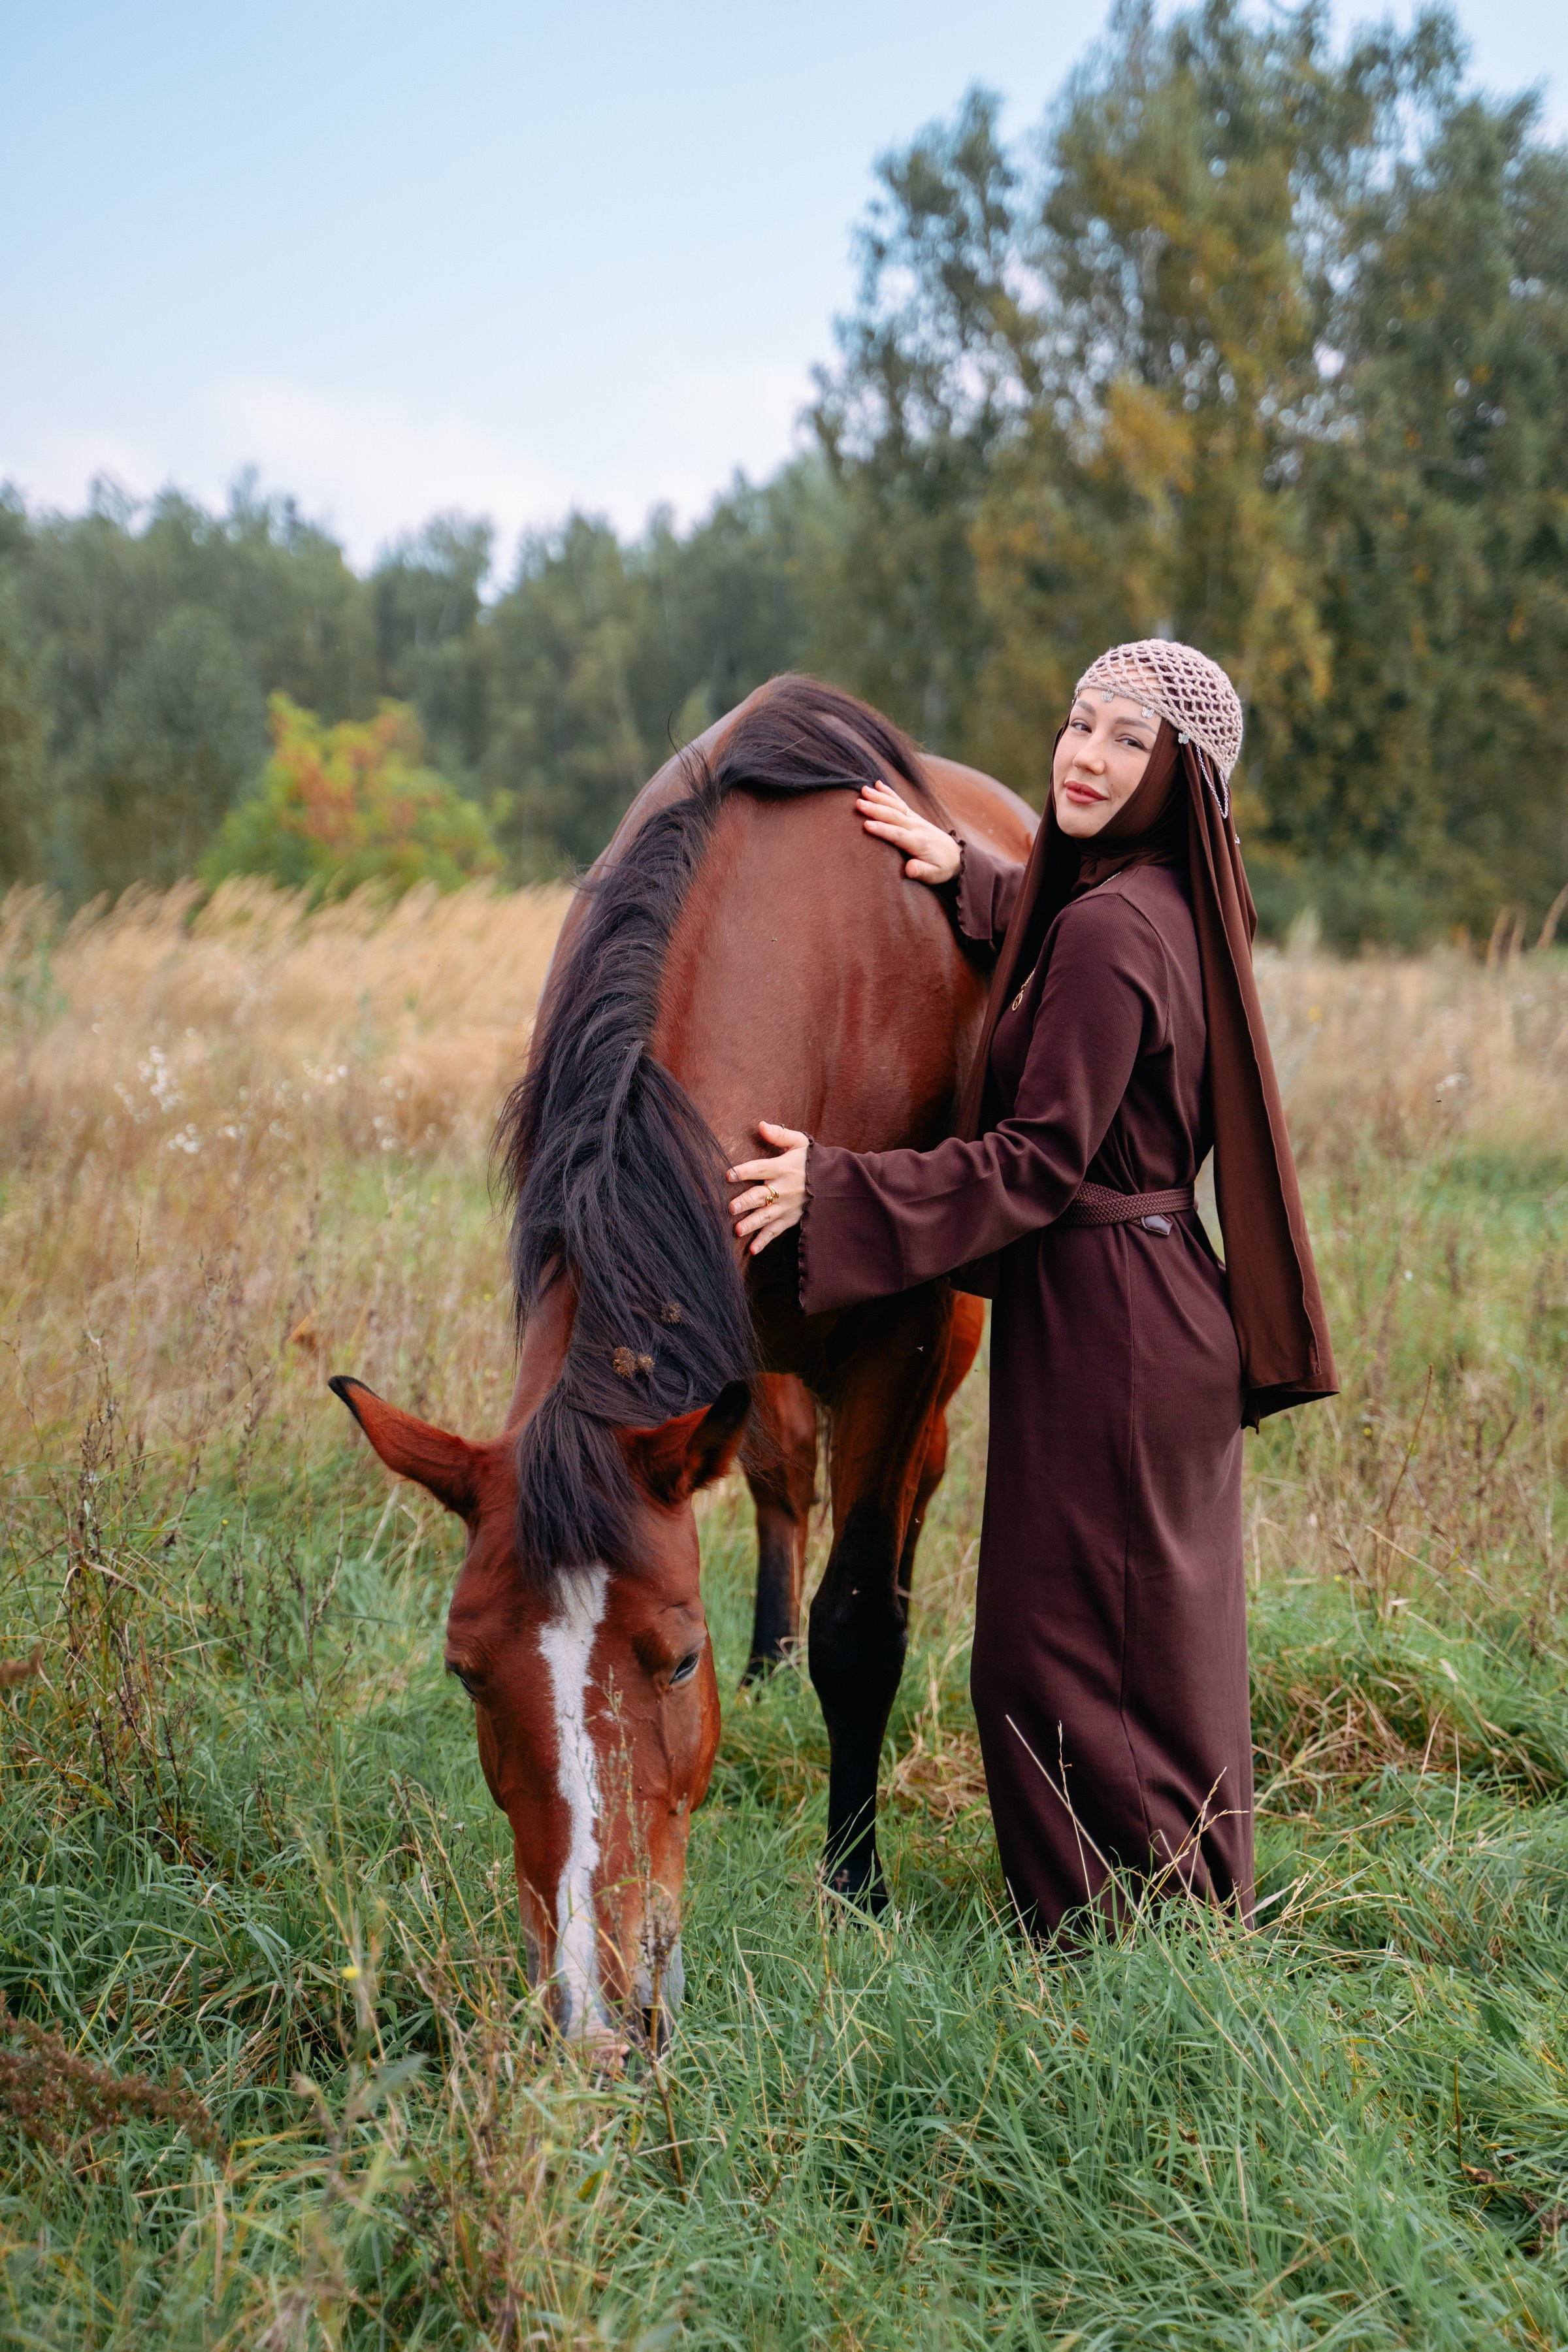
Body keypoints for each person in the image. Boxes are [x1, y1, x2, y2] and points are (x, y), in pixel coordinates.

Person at [727, 641, 1336, 1938]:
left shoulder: (1116, 927)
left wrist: (840, 1191)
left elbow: (1039, 1161)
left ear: (1181, 782)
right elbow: (1084, 961)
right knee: (1151, 1640)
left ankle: (1090, 1940)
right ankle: (1177, 1915)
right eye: (1080, 721)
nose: (1086, 755)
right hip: (1159, 1299)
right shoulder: (1161, 902)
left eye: (1129, 742)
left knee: (1041, 1654)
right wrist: (975, 878)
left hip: (1112, 1319)